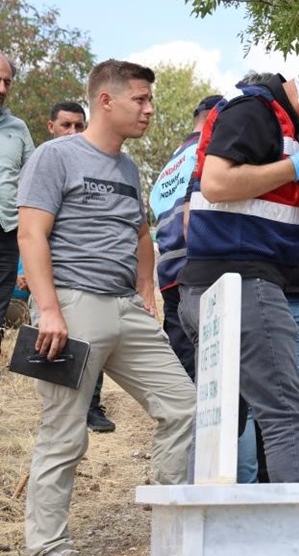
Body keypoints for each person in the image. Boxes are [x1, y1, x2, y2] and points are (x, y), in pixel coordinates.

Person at [18, 59, 196, 556]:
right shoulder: (56, 156)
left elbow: (141, 232)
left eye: (150, 100)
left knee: (183, 406)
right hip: (73, 305)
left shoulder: (127, 167)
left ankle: (170, 532)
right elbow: (31, 233)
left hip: (125, 308)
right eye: (140, 99)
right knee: (64, 434)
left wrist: (146, 287)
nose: (149, 109)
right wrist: (48, 309)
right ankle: (48, 547)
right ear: (106, 100)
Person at [178, 54, 299, 483]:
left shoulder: (283, 125)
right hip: (245, 282)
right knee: (286, 414)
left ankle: (209, 536)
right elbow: (217, 183)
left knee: (222, 419)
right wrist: (295, 168)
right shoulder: (255, 111)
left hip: (213, 284)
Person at [42, 100, 117, 433]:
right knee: (58, 348)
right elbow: (31, 229)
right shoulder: (46, 162)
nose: (73, 131)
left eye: (79, 125)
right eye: (66, 125)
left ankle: (92, 406)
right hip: (54, 278)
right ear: (51, 127)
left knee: (91, 340)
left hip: (91, 280)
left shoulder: (96, 166)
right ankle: (62, 414)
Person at [149, 94, 224, 380]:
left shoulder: (172, 161)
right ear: (214, 115)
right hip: (198, 267)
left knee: (184, 361)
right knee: (209, 363)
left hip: (169, 270)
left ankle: (187, 422)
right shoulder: (208, 150)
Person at [0, 52, 35, 343]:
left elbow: (34, 178)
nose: (2, 88)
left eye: (7, 82)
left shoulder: (18, 128)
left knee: (1, 298)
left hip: (8, 229)